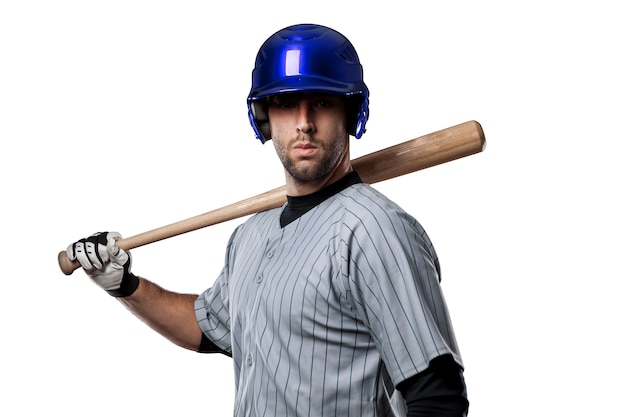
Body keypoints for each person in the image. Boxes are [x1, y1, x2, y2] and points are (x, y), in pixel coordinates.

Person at [66, 23, 469, 416]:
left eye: (323, 102)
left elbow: (438, 398)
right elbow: (210, 328)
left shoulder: (375, 231)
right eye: (286, 103)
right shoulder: (251, 234)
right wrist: (125, 286)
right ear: (264, 116)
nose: (304, 123)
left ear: (350, 111)